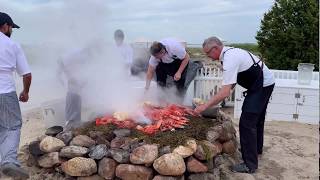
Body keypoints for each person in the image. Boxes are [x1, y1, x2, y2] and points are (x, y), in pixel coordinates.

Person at [195, 36, 275, 173]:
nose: (207, 56)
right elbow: (231, 84)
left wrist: (204, 106)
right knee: (257, 119)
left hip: (261, 86)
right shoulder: (230, 53)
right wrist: (214, 97)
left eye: (208, 53)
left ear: (216, 48)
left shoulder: (230, 58)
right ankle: (257, 150)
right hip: (264, 83)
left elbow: (225, 92)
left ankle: (250, 165)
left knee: (247, 123)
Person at [0, 12, 31, 179]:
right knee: (12, 126)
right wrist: (25, 92)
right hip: (4, 92)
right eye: (11, 27)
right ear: (5, 26)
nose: (11, 30)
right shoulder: (11, 45)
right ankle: (9, 161)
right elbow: (26, 74)